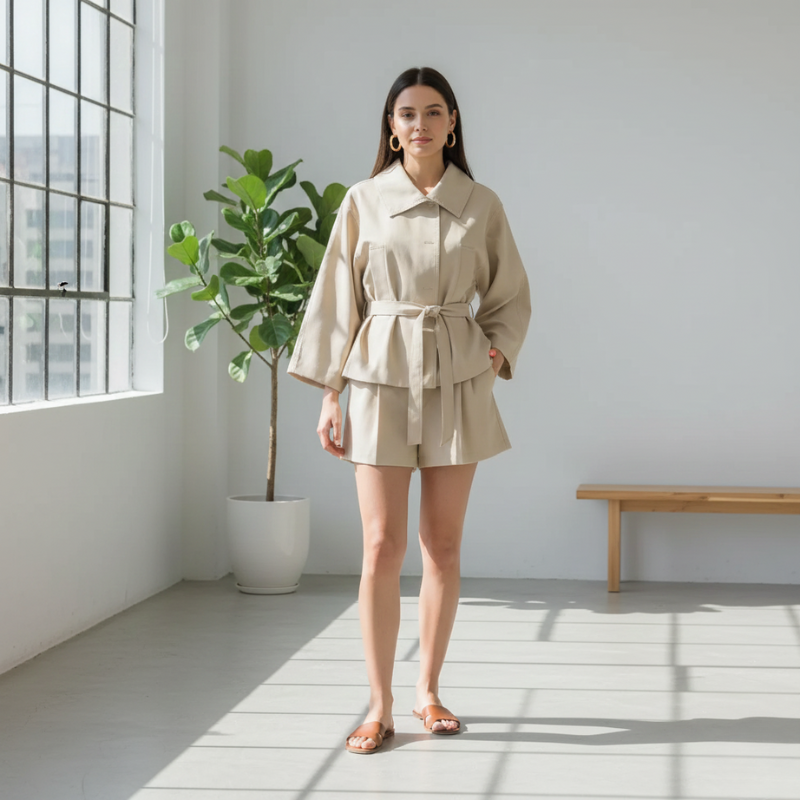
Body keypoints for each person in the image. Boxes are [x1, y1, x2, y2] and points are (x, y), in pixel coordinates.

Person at [287, 66, 531, 754]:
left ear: (453, 123)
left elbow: (511, 294)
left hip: (457, 380)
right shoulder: (363, 201)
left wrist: (493, 354)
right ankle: (380, 704)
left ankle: (428, 691)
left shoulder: (482, 204)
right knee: (380, 546)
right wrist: (331, 393)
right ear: (391, 129)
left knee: (442, 546)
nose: (419, 124)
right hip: (377, 379)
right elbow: (338, 299)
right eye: (406, 114)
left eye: (432, 112)